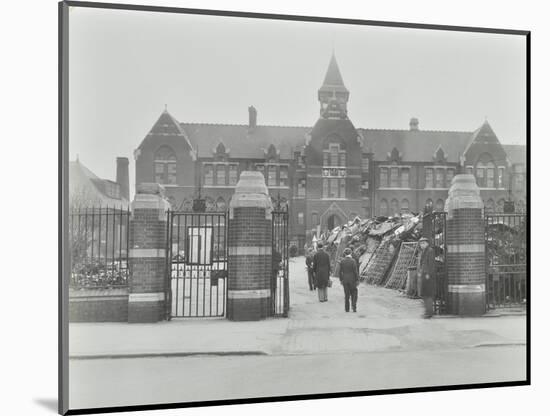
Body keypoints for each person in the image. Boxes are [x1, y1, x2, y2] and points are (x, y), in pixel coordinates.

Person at [417, 237, 436, 318]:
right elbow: (421, 263)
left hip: (427, 276)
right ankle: (427, 311)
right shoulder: (422, 251)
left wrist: (428, 274)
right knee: (424, 294)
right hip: (423, 274)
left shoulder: (430, 251)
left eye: (424, 243)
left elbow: (431, 263)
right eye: (421, 243)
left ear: (427, 243)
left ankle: (429, 313)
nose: (422, 245)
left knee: (427, 294)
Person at [339, 248, 359, 312]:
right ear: (350, 253)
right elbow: (355, 271)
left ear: (344, 253)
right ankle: (354, 306)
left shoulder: (342, 261)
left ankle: (347, 309)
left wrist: (341, 280)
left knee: (346, 294)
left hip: (345, 279)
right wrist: (357, 279)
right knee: (354, 292)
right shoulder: (353, 261)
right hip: (352, 279)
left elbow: (340, 272)